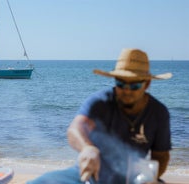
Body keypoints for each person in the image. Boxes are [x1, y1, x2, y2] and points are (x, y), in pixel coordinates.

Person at [27, 48, 172, 184]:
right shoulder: (100, 102)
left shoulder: (159, 112)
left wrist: (150, 178)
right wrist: (87, 148)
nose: (126, 91)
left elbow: (161, 157)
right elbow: (76, 128)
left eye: (134, 86)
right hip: (88, 176)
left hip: (131, 179)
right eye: (121, 83)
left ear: (147, 84)